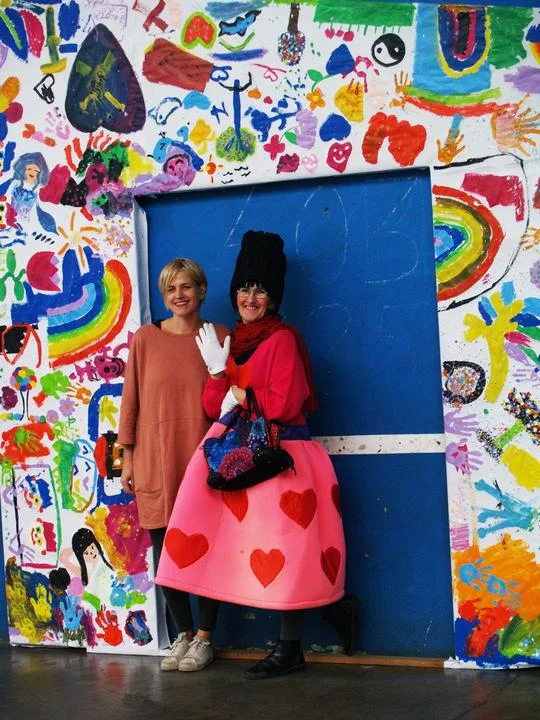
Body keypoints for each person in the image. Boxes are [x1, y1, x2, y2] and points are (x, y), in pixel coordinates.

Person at [156, 231, 349, 678]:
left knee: (287, 547)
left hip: (281, 456)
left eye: (260, 289)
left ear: (273, 296)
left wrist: (236, 390)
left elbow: (283, 404)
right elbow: (213, 406)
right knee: (254, 546)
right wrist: (217, 372)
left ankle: (291, 646)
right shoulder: (236, 341)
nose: (250, 297)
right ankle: (288, 634)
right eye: (244, 288)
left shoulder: (282, 339)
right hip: (244, 457)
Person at [117, 258, 229, 672]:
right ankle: (182, 634)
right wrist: (128, 458)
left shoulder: (220, 336)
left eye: (186, 286)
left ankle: (204, 638)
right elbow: (131, 401)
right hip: (155, 458)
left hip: (205, 461)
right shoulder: (146, 339)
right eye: (170, 289)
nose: (178, 295)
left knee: (209, 550)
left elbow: (233, 398)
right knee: (166, 553)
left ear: (201, 290)